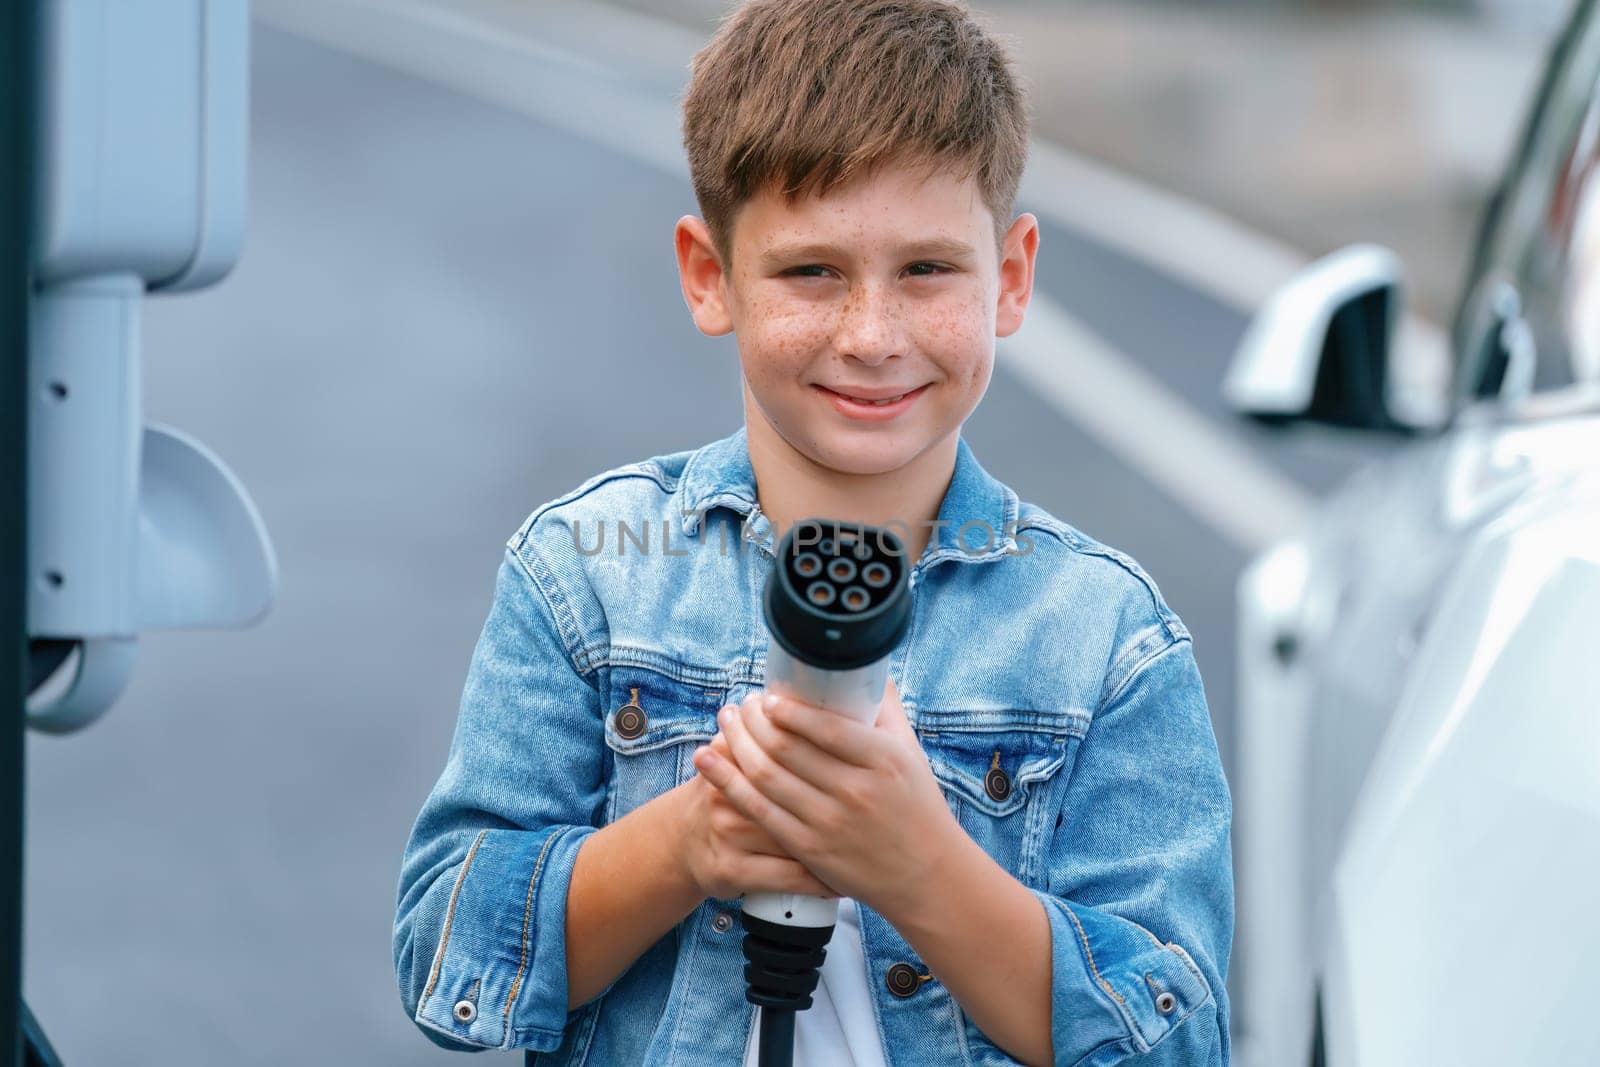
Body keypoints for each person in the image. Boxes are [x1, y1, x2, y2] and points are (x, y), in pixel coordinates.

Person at [392, 1, 1233, 1063]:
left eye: (927, 270)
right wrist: (689, 841)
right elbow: (444, 949)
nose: (872, 334)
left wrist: (919, 864)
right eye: (810, 272)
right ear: (711, 276)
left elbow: (1178, 1037)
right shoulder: (587, 573)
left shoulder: (1104, 637)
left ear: (1009, 278)